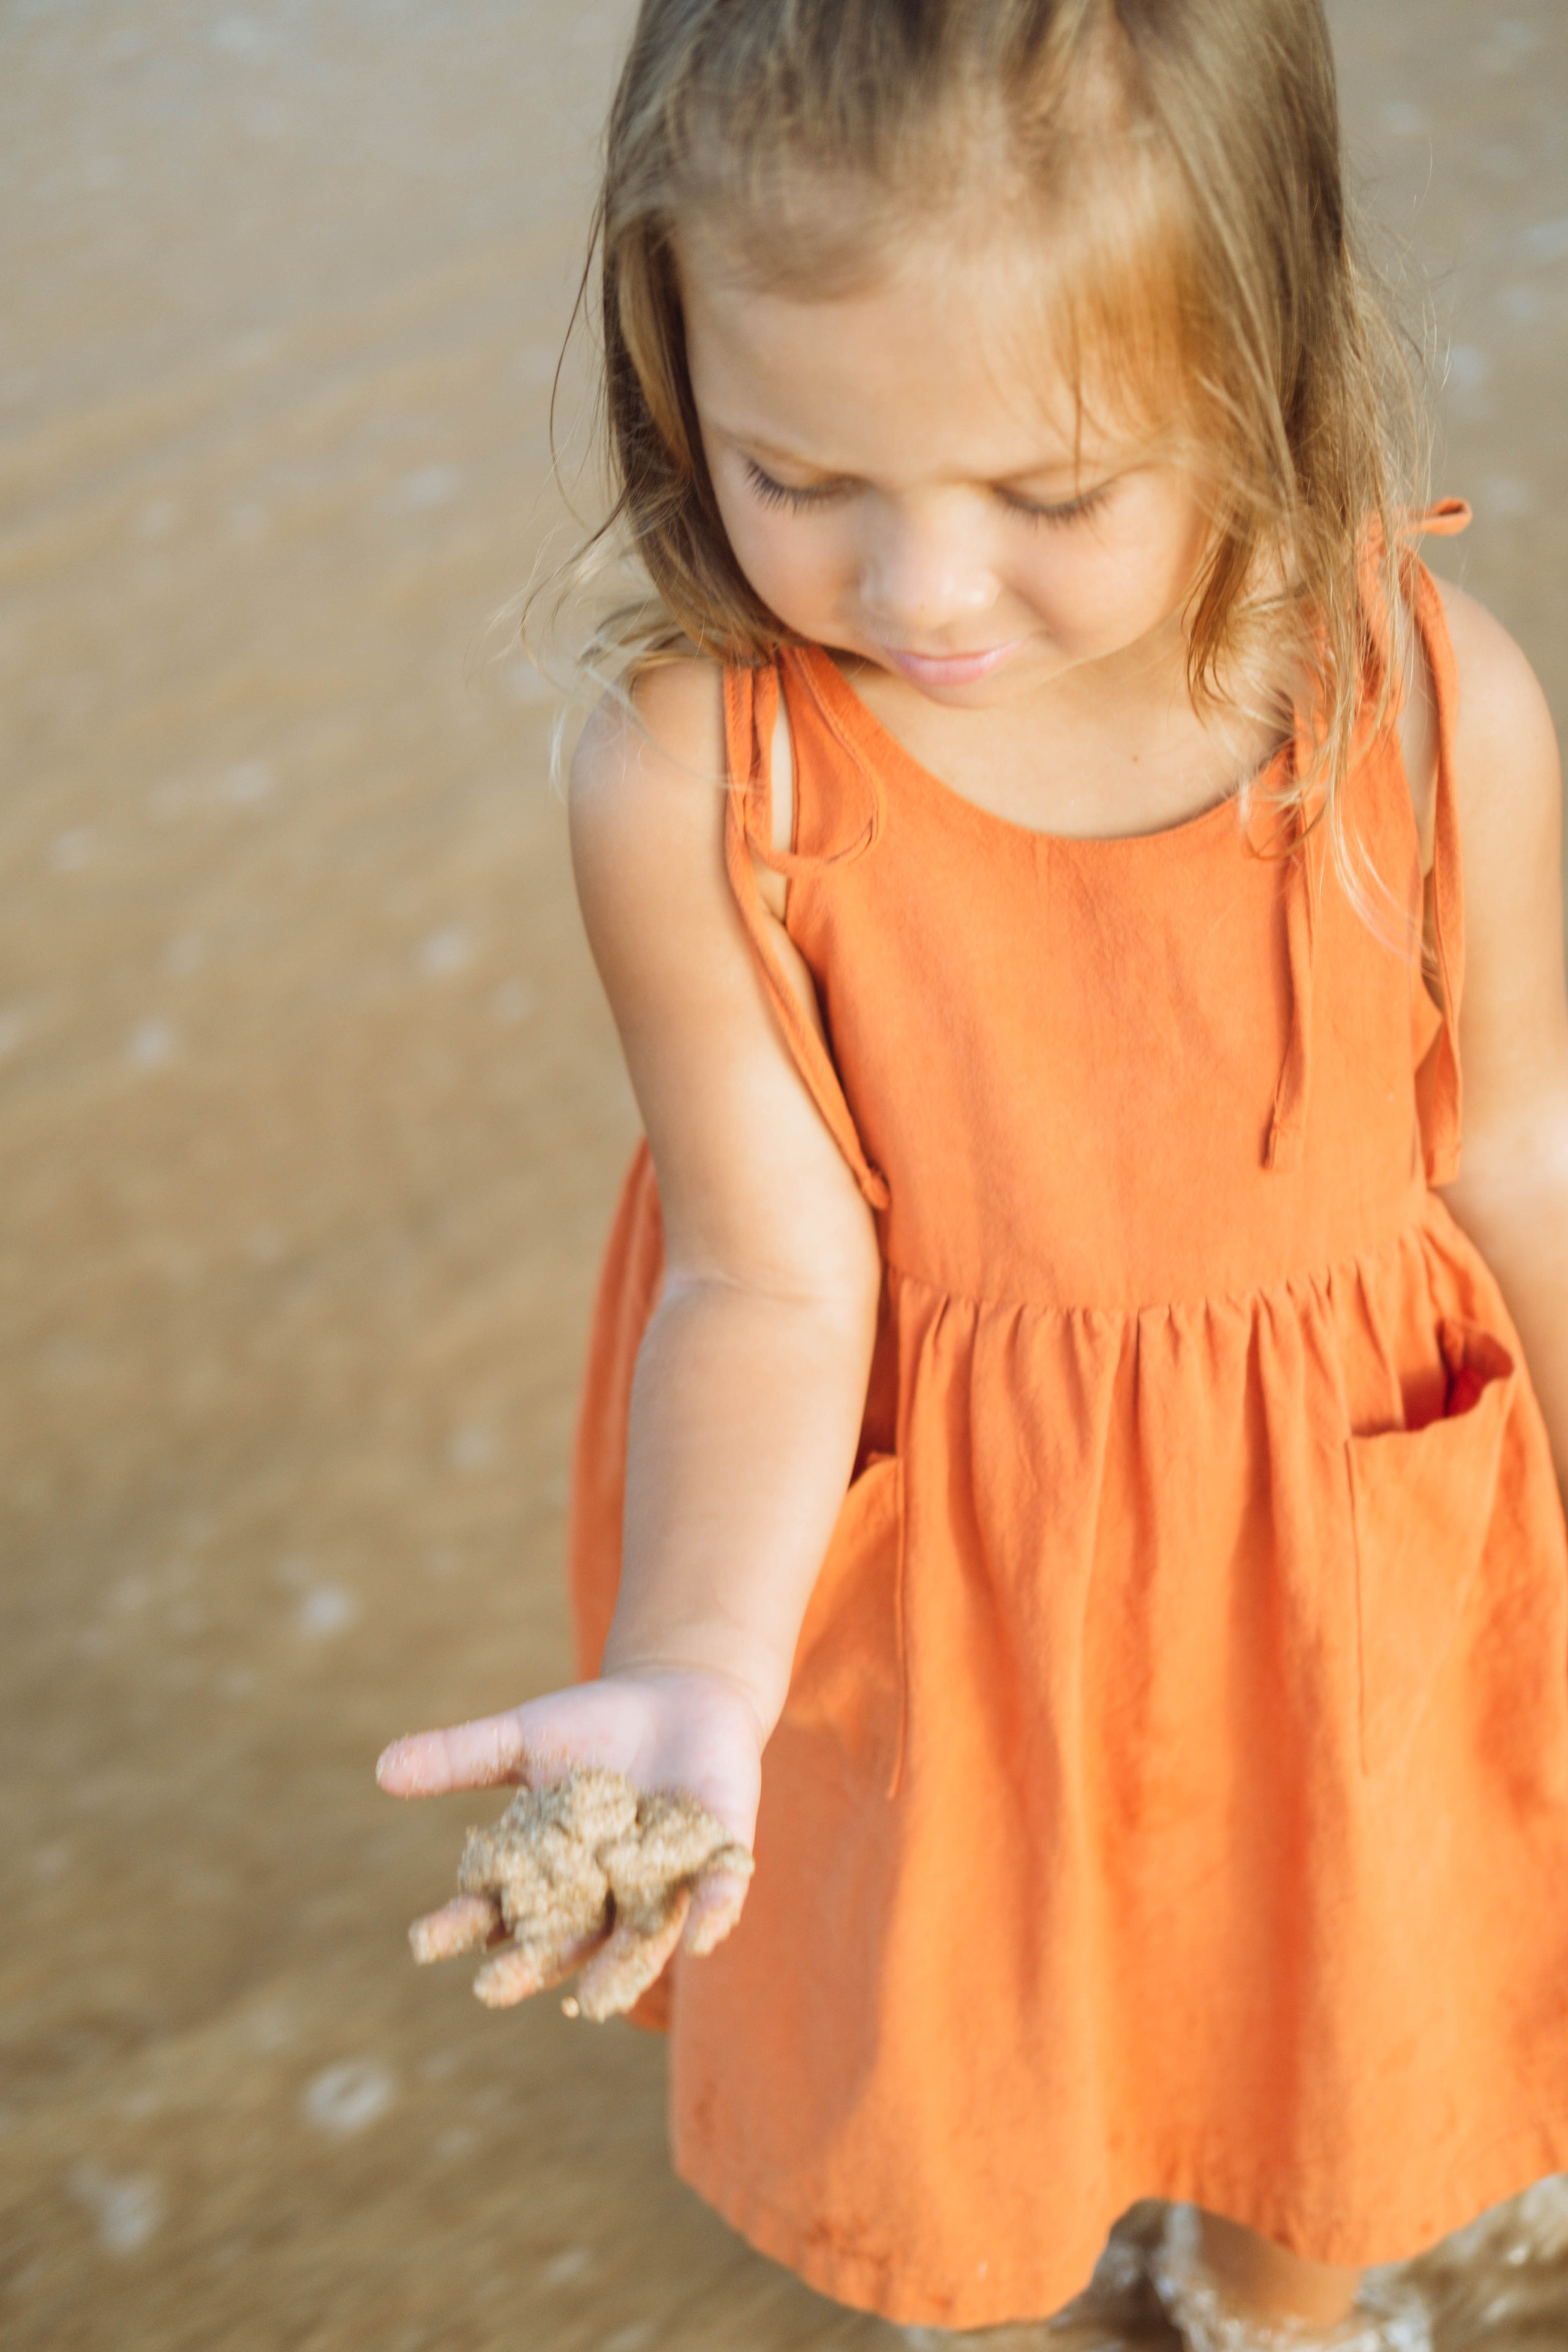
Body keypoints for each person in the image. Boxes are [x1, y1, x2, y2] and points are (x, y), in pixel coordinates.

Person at [376, 2, 1568, 2343]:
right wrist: (697, 1671)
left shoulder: (1425, 703)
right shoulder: (701, 770)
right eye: (798, 471)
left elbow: (1521, 1152)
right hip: (949, 1579)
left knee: (1324, 2065)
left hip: (1338, 1558)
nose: (925, 590)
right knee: (976, 2095)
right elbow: (766, 1281)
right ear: (670, 358)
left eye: (1048, 494)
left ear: (1258, 357)